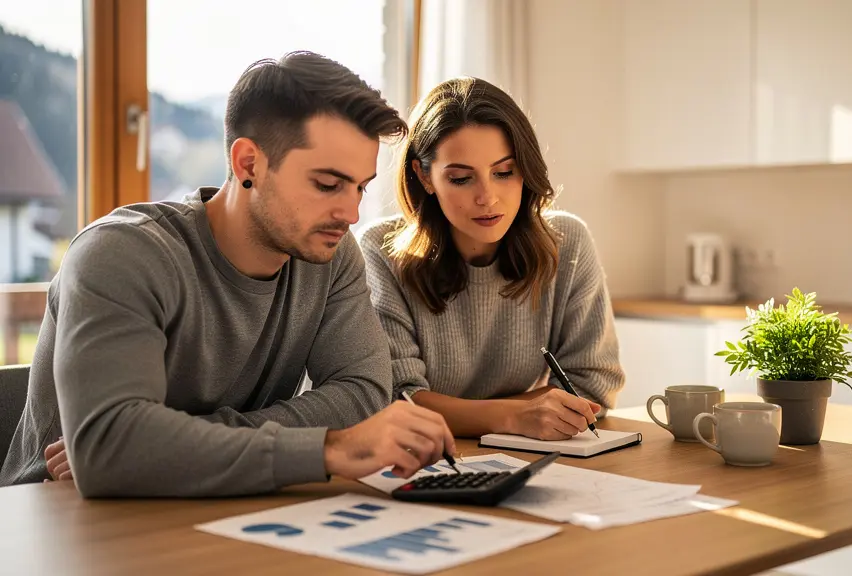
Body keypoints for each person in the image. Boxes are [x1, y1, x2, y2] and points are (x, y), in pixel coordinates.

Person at [0, 52, 456, 497]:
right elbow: (111, 451)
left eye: (360, 187)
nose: (351, 213)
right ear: (248, 164)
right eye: (327, 184)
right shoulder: (120, 253)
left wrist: (165, 445)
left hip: (218, 505)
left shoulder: (331, 256)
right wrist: (328, 447)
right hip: (53, 519)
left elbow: (363, 394)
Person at [357, 77, 625, 441]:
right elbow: (395, 401)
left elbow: (593, 384)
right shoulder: (380, 250)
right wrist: (514, 416)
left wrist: (484, 415)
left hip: (529, 456)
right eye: (462, 178)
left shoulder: (567, 242)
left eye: (503, 172)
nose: (488, 197)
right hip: (424, 460)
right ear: (425, 176)